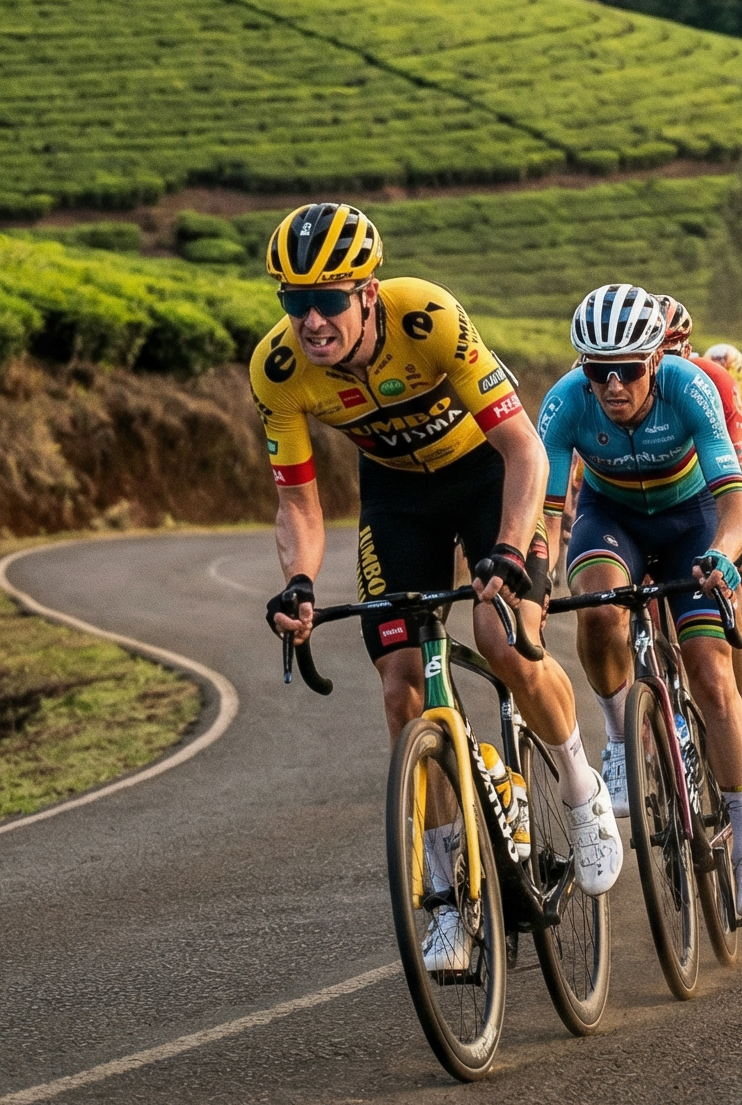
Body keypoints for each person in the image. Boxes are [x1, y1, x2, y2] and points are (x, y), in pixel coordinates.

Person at [255, 201, 623, 971]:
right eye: (293, 301)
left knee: (501, 637)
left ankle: (583, 794)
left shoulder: (427, 316)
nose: (310, 320)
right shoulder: (280, 370)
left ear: (367, 292)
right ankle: (449, 896)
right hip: (396, 501)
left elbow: (525, 450)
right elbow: (298, 499)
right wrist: (297, 581)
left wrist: (509, 551)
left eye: (326, 299)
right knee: (399, 686)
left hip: (487, 475)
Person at [539, 282, 742, 921]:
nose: (612, 386)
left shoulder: (691, 386)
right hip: (611, 515)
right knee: (595, 606)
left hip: (690, 516)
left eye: (627, 370)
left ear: (655, 362)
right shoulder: (565, 404)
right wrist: (533, 577)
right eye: (597, 371)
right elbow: (550, 512)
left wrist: (725, 553)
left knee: (710, 674)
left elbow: (736, 500)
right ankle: (621, 743)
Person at [658, 298, 742, 800]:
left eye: (670, 351)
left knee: (726, 595)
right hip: (638, 503)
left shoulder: (711, 382)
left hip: (708, 492)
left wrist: (740, 539)